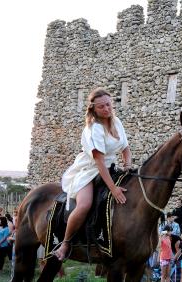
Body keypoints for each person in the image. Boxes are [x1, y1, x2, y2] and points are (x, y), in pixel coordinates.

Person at [54, 88, 132, 261]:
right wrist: (114, 189)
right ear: (93, 109)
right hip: (90, 169)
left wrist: (128, 165)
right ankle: (65, 244)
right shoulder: (93, 128)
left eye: (108, 104)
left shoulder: (116, 121)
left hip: (111, 168)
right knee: (84, 205)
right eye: (101, 106)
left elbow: (125, 148)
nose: (106, 109)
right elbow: (98, 161)